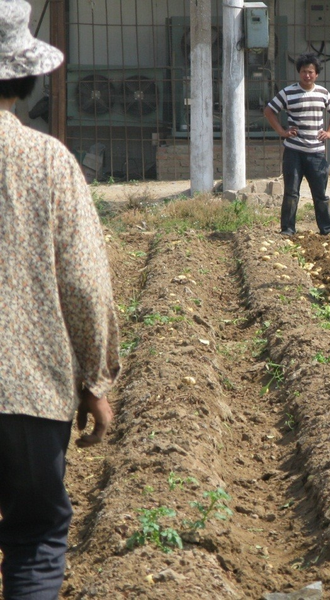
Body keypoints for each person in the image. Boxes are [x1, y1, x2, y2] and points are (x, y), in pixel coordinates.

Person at [0, 1, 121, 598]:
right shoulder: (49, 162)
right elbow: (84, 284)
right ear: (24, 78)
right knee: (36, 537)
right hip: (29, 391)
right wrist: (95, 379)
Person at [264, 53, 330, 236]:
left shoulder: (323, 93)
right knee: (291, 193)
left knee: (320, 194)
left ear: (317, 74)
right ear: (299, 73)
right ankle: (288, 229)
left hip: (316, 153)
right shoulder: (288, 92)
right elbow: (268, 111)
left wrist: (329, 132)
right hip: (294, 151)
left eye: (311, 72)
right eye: (304, 71)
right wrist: (282, 132)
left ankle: (327, 229)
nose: (307, 75)